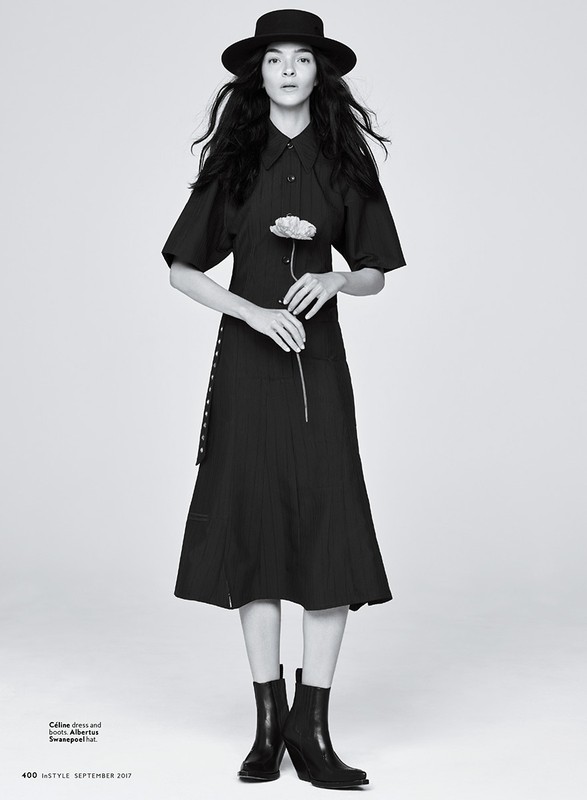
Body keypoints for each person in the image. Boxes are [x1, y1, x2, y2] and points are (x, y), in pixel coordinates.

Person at [161, 9, 406, 790]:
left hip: (319, 367)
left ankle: (312, 726)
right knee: (257, 531)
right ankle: (269, 726)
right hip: (247, 366)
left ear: (318, 73)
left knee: (328, 530)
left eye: (302, 58)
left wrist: (336, 278)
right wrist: (251, 311)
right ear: (258, 73)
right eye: (276, 59)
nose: (290, 71)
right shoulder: (234, 162)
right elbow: (182, 270)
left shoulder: (344, 160)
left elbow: (375, 270)